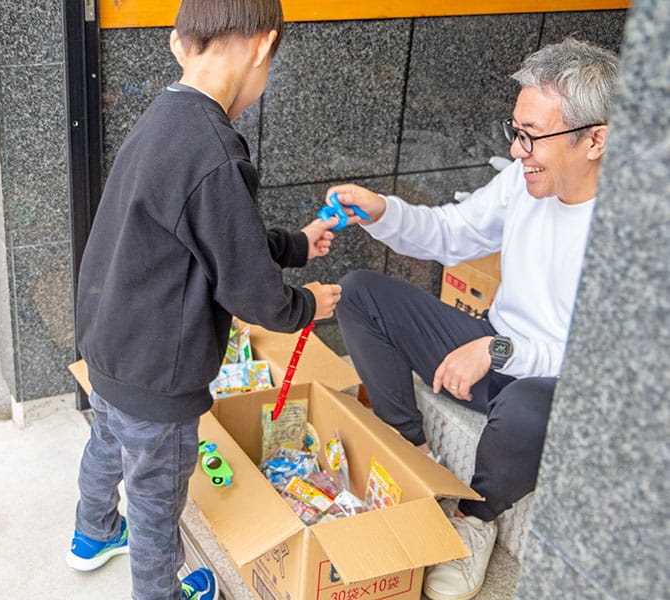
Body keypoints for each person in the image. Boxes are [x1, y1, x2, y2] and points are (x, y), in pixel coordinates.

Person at [67, 1, 343, 598]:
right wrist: (307, 307)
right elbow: (248, 288)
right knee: (156, 499)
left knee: (107, 445)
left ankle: (91, 533)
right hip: (156, 375)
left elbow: (207, 234)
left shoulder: (163, 120)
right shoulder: (215, 150)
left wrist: (295, 244)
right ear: (262, 47)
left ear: (179, 44)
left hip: (111, 344)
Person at [328, 37, 618, 600]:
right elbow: (452, 233)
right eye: (516, 131)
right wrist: (383, 211)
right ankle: (414, 454)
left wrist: (499, 351)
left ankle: (474, 516)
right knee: (361, 294)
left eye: (532, 136)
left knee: (527, 409)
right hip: (497, 345)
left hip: (563, 384)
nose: (517, 151)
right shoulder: (524, 181)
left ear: (595, 140)